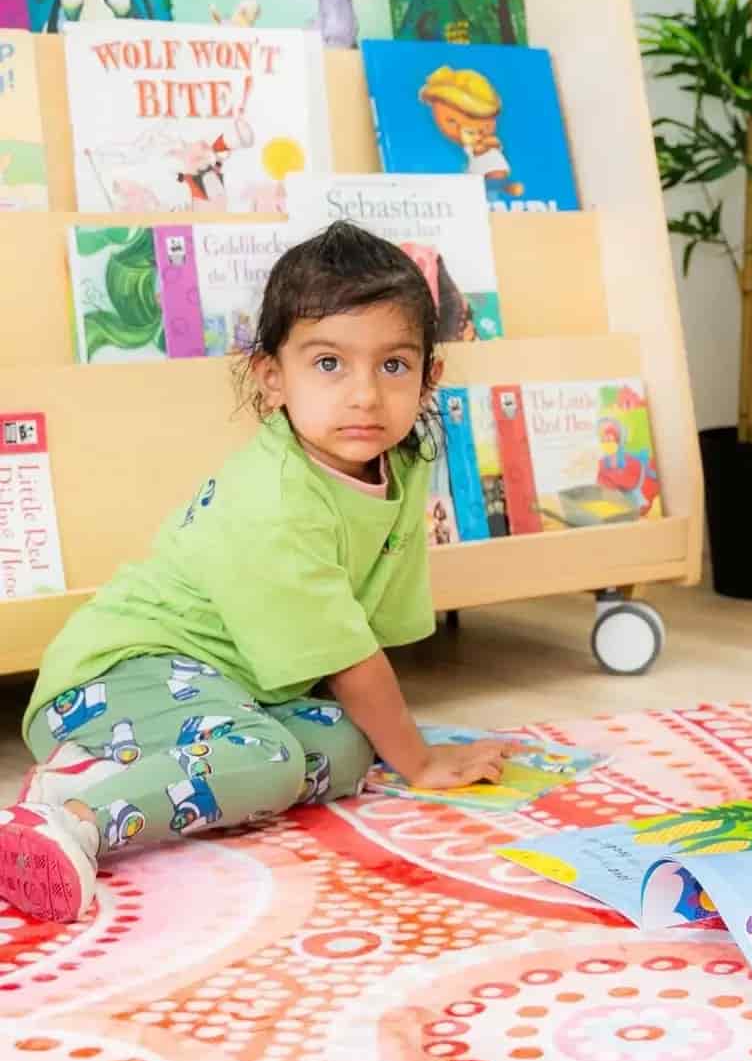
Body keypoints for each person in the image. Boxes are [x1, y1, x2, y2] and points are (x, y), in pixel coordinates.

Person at [0, 224, 515, 923]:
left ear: (429, 376)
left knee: (349, 746)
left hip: (233, 684)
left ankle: (125, 770)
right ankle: (76, 815)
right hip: (117, 674)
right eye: (329, 364)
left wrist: (397, 745)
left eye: (393, 365)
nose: (365, 394)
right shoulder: (274, 500)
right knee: (271, 759)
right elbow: (349, 656)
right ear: (273, 377)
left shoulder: (404, 460)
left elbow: (365, 623)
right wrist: (420, 761)